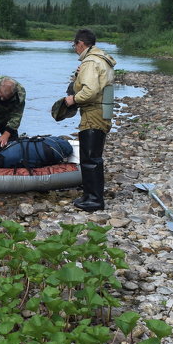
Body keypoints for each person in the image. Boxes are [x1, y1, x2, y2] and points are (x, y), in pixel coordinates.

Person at [63, 29, 116, 211]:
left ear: (81, 44)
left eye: (74, 45)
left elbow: (90, 91)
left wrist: (73, 99)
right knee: (93, 156)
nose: (74, 49)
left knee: (90, 157)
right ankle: (91, 195)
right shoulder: (102, 59)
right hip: (103, 110)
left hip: (93, 112)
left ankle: (94, 200)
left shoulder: (91, 62)